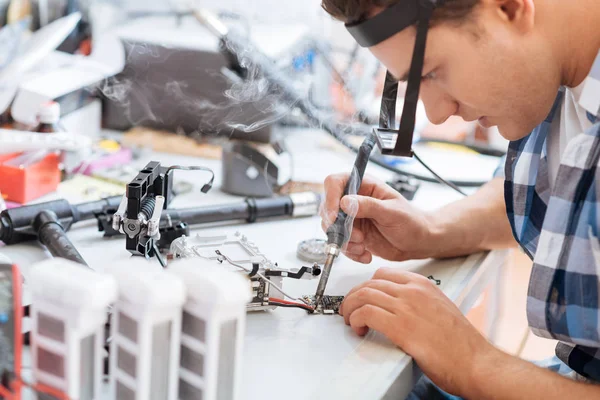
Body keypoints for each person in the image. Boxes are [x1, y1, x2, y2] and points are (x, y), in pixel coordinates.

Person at [319, 0, 600, 398]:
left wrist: (474, 364)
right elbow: (562, 191)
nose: (435, 114)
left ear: (507, 7)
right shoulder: (555, 68)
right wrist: (431, 231)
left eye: (433, 72)